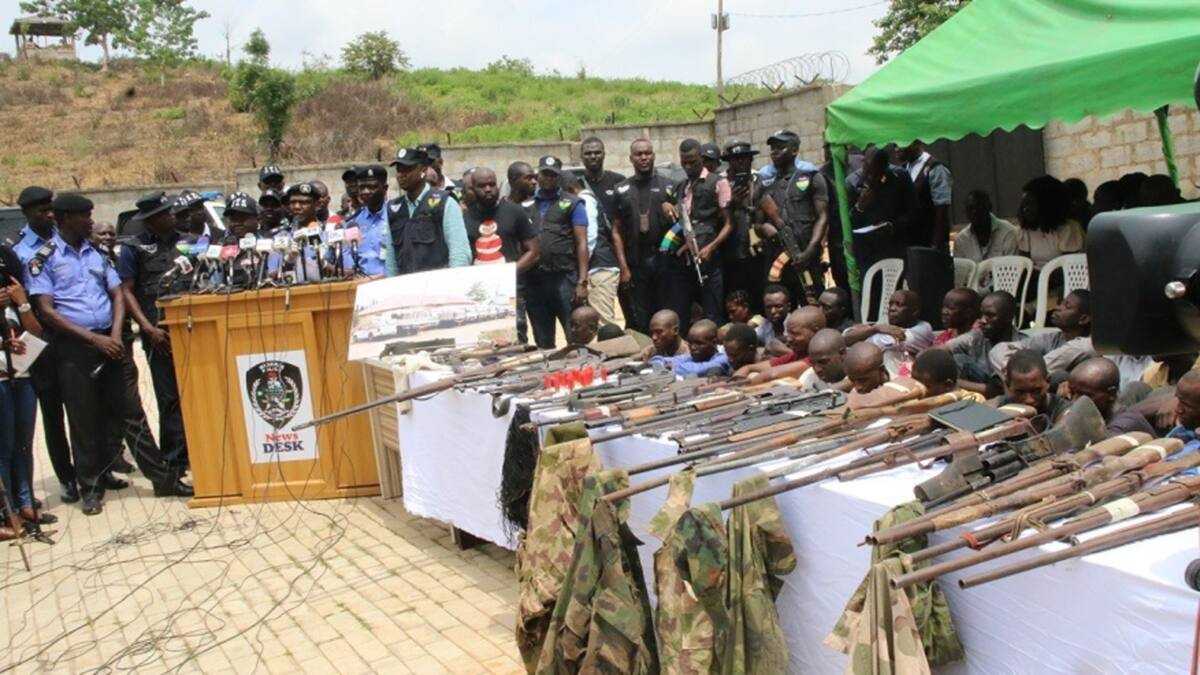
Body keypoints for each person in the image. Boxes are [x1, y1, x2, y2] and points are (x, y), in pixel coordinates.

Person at [26, 194, 127, 515]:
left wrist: (113, 335)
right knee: (82, 418)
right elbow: (46, 310)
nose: (90, 221)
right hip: (74, 347)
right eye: (84, 215)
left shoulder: (96, 252)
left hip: (109, 340)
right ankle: (90, 488)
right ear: (65, 218)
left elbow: (117, 293)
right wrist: (95, 340)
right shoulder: (44, 258)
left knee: (112, 412)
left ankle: (107, 471)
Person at [114, 193, 195, 494]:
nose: (172, 216)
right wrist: (147, 329)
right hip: (158, 334)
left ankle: (202, 450)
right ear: (150, 220)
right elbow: (127, 290)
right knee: (169, 398)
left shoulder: (188, 241)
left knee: (198, 391)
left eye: (170, 211)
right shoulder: (134, 248)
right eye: (164, 213)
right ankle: (175, 462)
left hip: (193, 329)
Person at [11, 186, 79, 503]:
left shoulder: (65, 238)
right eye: (41, 211)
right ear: (26, 213)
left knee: (82, 407)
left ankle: (94, 470)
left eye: (51, 209)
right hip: (40, 339)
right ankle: (67, 478)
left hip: (72, 334)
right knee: (53, 414)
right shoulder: (16, 250)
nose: (49, 215)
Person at [0, 245, 52, 537]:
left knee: (23, 444)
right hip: (0, 379)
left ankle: (25, 504)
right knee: (3, 448)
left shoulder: (14, 300)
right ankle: (6, 513)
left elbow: (35, 332)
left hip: (22, 376)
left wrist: (21, 302)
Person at [660, 138, 732, 328]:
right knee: (683, 311)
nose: (688, 166)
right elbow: (675, 210)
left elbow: (728, 224)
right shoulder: (681, 186)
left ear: (702, 158)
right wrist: (666, 205)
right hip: (686, 260)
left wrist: (711, 247)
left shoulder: (718, 182)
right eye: (684, 162)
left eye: (692, 162)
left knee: (712, 313)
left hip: (709, 258)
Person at [521, 155, 589, 348]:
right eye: (545, 174)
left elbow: (582, 242)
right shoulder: (525, 205)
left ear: (559, 177)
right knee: (543, 339)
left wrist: (582, 281)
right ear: (538, 175)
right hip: (535, 281)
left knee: (574, 335)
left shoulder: (573, 203)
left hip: (564, 278)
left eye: (553, 175)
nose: (549, 179)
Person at [464, 167, 539, 342]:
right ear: (472, 189)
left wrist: (508, 273)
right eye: (482, 186)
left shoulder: (514, 211)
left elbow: (534, 251)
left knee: (515, 339)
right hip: (479, 294)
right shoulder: (465, 218)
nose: (488, 189)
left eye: (492, 184)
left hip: (510, 291)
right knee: (484, 341)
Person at [609, 139, 676, 333]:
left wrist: (675, 210)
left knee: (667, 313)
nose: (644, 157)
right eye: (639, 154)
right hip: (636, 263)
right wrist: (624, 268)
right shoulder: (621, 189)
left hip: (665, 261)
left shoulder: (670, 186)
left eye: (647, 153)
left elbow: (682, 225)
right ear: (631, 158)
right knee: (640, 317)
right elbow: (616, 231)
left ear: (653, 156)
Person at [755, 130, 829, 304]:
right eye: (772, 148)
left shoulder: (812, 177)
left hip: (806, 252)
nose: (774, 151)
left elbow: (822, 217)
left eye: (780, 147)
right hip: (776, 253)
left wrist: (811, 249)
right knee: (778, 304)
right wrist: (765, 229)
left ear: (795, 150)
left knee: (813, 301)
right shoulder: (763, 183)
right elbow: (757, 224)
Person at [387, 147, 470, 274]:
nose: (401, 175)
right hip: (405, 284)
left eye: (407, 169)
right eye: (399, 170)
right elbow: (391, 262)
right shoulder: (393, 209)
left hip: (438, 284)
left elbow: (460, 254)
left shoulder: (445, 203)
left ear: (423, 170)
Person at [848, 147, 915, 301]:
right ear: (863, 163)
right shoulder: (852, 183)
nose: (872, 177)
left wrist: (893, 225)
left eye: (877, 172)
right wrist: (860, 207)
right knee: (871, 294)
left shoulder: (900, 177)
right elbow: (846, 222)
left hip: (894, 245)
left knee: (895, 291)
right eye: (869, 171)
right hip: (866, 250)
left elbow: (912, 212)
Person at [990, 289, 1095, 377]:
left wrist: (1015, 372)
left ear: (1083, 319)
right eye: (1061, 303)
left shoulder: (1086, 345)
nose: (1057, 307)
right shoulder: (1054, 337)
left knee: (1057, 378)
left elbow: (1037, 372)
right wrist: (1010, 368)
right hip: (1026, 383)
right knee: (997, 349)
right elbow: (1003, 348)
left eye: (1067, 306)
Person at [562, 173, 621, 327]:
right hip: (595, 267)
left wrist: (582, 268)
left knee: (604, 323)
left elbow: (589, 236)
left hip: (600, 268)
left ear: (570, 190)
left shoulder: (585, 201)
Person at [722, 140, 765, 303]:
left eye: (744, 157)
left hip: (757, 250)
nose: (740, 161)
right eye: (735, 158)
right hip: (730, 252)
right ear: (729, 162)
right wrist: (731, 202)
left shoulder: (760, 181)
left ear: (751, 159)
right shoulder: (721, 184)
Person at [1016, 175, 1085, 272]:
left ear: (1047, 205)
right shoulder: (1026, 230)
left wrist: (1041, 277)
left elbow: (1068, 269)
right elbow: (1024, 265)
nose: (1025, 209)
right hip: (1034, 277)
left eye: (1030, 204)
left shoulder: (1069, 229)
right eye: (1024, 204)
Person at [737, 306, 825, 381]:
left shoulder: (816, 358)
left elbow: (771, 375)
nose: (789, 339)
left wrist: (739, 388)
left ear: (815, 331)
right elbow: (749, 368)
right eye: (789, 333)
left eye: (795, 334)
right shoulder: (797, 355)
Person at [899, 140, 952, 251]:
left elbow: (942, 209)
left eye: (901, 143)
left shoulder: (935, 168)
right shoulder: (903, 169)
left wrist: (935, 244)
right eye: (894, 145)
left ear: (916, 143)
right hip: (911, 242)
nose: (896, 149)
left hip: (931, 242)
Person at [844, 289, 934, 353]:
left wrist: (869, 330)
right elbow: (845, 338)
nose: (892, 308)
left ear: (914, 311)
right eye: (890, 304)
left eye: (899, 305)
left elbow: (849, 341)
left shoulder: (922, 330)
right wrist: (875, 329)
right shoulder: (885, 327)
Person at [997, 349, 1071, 424]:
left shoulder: (1062, 410)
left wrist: (1032, 429)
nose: (1029, 400)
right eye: (1020, 392)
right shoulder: (998, 406)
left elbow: (1064, 428)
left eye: (1036, 391)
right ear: (1008, 385)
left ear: (1048, 381)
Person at [347, 164, 393, 277]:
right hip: (362, 283)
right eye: (361, 187)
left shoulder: (395, 216)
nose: (365, 191)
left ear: (385, 188)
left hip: (390, 281)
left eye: (372, 187)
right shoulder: (354, 223)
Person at [953, 190, 1018, 263]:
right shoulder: (961, 240)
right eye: (970, 208)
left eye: (979, 207)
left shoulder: (1008, 233)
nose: (974, 212)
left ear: (989, 207)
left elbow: (1013, 267)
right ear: (965, 212)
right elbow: (960, 269)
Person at [652, 320, 730, 377]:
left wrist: (671, 368)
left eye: (699, 343)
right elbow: (657, 360)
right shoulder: (690, 358)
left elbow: (694, 370)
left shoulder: (723, 359)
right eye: (690, 343)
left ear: (714, 342)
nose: (693, 347)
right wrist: (663, 365)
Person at [1064, 357, 1122, 422]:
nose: (1074, 402)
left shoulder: (1120, 424)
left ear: (1112, 394)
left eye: (1084, 396)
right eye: (1071, 393)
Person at [757, 284, 793, 356]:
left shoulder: (797, 325)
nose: (773, 311)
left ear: (788, 306)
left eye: (778, 306)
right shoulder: (765, 326)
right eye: (768, 307)